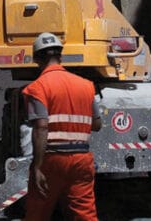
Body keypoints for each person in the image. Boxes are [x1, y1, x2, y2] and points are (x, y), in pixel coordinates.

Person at [22, 32, 102, 221]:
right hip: (82, 159)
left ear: (36, 59)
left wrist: (38, 167)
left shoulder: (37, 88)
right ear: (61, 55)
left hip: (52, 160)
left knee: (37, 213)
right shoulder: (86, 86)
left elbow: (41, 128)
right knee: (85, 214)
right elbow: (97, 124)